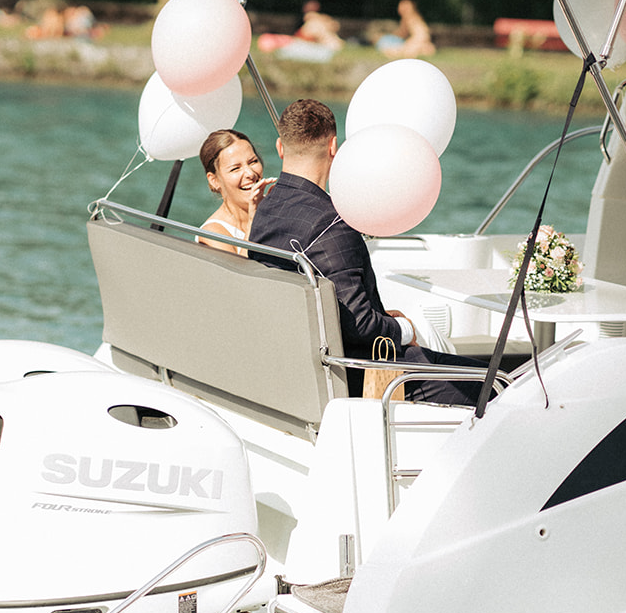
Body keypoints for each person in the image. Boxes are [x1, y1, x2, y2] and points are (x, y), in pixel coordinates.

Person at [248, 99, 483, 405]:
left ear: (281, 147)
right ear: (334, 147)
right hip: (361, 374)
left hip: (295, 366)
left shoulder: (265, 209)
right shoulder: (332, 224)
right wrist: (405, 328)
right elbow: (362, 325)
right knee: (495, 384)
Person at [197, 129, 271, 256]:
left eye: (253, 162)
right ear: (215, 180)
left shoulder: (278, 209)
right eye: (235, 169)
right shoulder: (213, 233)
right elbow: (239, 274)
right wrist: (254, 220)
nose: (250, 174)